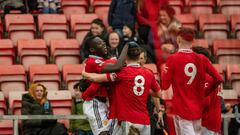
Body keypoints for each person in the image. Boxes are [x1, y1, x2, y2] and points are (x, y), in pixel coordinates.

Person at [82, 42, 162, 135]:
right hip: (144, 120)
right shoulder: (149, 73)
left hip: (127, 119)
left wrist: (84, 73)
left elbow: (95, 78)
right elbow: (159, 94)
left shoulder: (121, 72)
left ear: (125, 57)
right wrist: (142, 88)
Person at [160, 27, 223, 135]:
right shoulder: (202, 59)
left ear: (178, 39)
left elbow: (165, 86)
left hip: (181, 108)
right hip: (198, 109)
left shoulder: (173, 59)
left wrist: (165, 72)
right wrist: (206, 91)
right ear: (193, 41)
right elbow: (219, 79)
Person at [192, 46, 222, 135]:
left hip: (206, 122)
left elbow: (205, 102)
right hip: (213, 120)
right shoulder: (212, 75)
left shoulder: (204, 77)